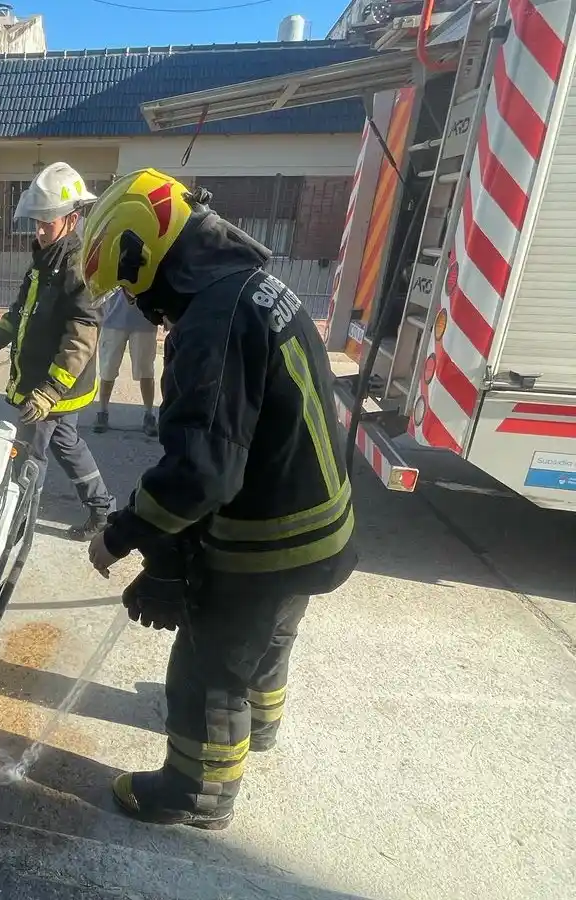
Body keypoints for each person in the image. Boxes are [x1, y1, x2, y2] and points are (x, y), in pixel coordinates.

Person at [80, 169, 357, 830]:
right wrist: (167, 553)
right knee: (269, 638)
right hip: (319, 526)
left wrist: (122, 535)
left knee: (207, 671)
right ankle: (260, 726)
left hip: (266, 542)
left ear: (145, 256)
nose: (138, 303)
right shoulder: (254, 285)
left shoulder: (212, 322)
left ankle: (196, 792)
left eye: (129, 285)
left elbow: (200, 474)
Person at [0, 162, 115, 541]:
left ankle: (16, 528)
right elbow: (21, 311)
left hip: (51, 387)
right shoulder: (45, 260)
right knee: (67, 444)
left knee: (27, 456)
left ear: (71, 219)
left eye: (46, 224)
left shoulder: (77, 267)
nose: (38, 230)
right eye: (36, 222)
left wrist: (49, 391)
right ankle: (102, 509)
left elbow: (81, 336)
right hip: (50, 385)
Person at [93, 287, 160, 436]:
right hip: (113, 319)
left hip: (145, 321)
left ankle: (149, 414)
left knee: (146, 371)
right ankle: (102, 412)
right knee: (107, 370)